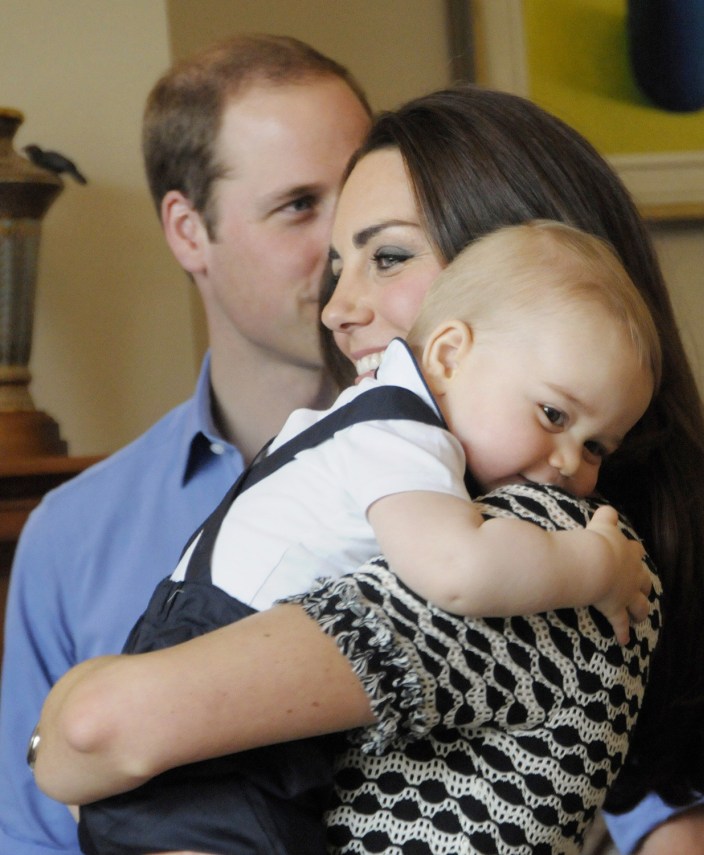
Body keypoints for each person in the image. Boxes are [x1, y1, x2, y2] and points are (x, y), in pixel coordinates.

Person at [32, 88, 704, 855]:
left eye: (389, 256)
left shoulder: (543, 546)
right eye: (340, 266)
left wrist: (65, 735)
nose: (337, 308)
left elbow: (95, 727)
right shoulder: (412, 481)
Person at [73, 221, 660, 853]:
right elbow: (460, 569)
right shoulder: (401, 435)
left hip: (198, 681)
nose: (570, 462)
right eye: (553, 414)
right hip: (220, 687)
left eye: (596, 445)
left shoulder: (368, 421)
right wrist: (592, 565)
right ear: (449, 356)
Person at [0, 34, 371, 855]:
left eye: (362, 195)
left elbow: (667, 807)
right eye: (300, 205)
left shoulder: (493, 465)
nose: (348, 245)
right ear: (188, 231)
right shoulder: (70, 538)